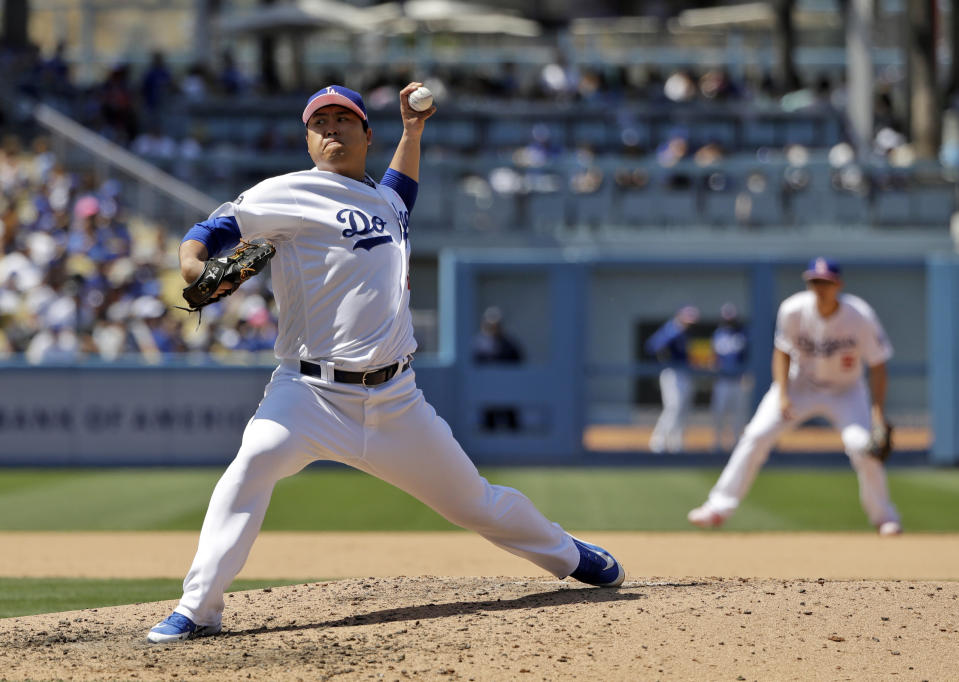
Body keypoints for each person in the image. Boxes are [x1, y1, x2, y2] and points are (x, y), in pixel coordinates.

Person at [146, 83, 626, 644]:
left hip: (397, 401)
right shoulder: (290, 192)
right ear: (306, 139)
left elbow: (401, 191)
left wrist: (413, 132)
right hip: (308, 394)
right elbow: (208, 232)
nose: (331, 128)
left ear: (365, 134)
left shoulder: (386, 199)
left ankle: (569, 555)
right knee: (249, 469)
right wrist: (191, 266)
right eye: (319, 121)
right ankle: (198, 609)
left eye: (343, 119)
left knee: (476, 501)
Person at [688, 258, 902, 535]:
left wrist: (877, 414)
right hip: (800, 386)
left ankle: (884, 516)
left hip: (846, 391)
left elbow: (878, 364)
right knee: (756, 435)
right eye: (814, 281)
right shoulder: (793, 310)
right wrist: (783, 395)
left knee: (864, 446)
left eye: (826, 282)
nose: (820, 287)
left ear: (839, 284)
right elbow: (782, 351)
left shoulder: (859, 315)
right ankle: (718, 506)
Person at [645, 305, 700, 453]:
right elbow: (652, 346)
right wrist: (664, 358)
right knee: (673, 407)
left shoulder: (685, 333)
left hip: (684, 373)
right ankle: (658, 442)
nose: (689, 323)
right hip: (672, 373)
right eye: (687, 320)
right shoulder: (671, 329)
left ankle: (676, 443)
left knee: (683, 409)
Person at [472, 305, 524, 431]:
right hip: (487, 389)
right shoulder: (479, 344)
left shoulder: (509, 344)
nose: (494, 328)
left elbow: (518, 361)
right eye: (491, 324)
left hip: (508, 389)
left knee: (511, 423)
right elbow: (474, 363)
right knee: (488, 424)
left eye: (497, 324)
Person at [710, 303, 749, 452]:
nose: (729, 322)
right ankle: (717, 442)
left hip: (739, 379)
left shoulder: (743, 333)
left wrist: (747, 375)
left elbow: (748, 356)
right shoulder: (718, 334)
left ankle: (737, 443)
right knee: (719, 413)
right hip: (722, 379)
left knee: (738, 414)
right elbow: (715, 358)